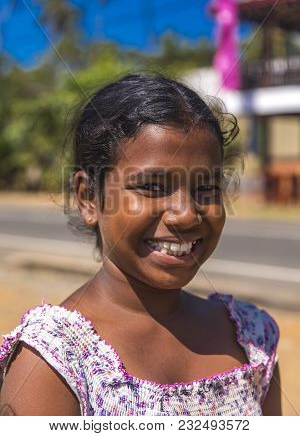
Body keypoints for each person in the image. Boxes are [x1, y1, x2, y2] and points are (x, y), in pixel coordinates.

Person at [0, 74, 281, 416]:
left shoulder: (252, 340)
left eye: (206, 188)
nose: (186, 215)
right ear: (89, 198)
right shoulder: (55, 361)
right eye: (152, 186)